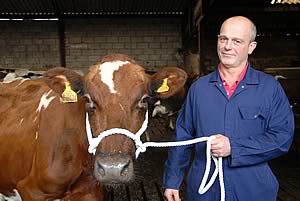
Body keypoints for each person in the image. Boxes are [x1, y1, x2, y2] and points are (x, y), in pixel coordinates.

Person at [163, 16, 295, 201]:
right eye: (223, 39)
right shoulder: (199, 89)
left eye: (237, 41)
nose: (227, 46)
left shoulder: (269, 88)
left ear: (251, 47)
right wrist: (172, 180)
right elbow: (182, 138)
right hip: (205, 189)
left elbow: (282, 138)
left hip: (253, 189)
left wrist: (234, 147)